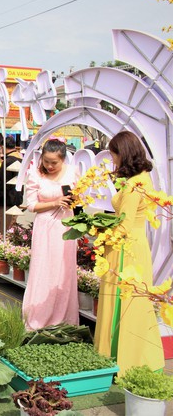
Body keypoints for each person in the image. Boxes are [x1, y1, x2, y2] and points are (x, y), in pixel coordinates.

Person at [94, 131, 164, 375]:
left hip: (125, 250)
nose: (113, 161)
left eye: (114, 155)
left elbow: (123, 225)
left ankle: (121, 361)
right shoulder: (143, 178)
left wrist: (96, 226)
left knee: (122, 303)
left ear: (123, 154)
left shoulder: (135, 185)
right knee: (134, 303)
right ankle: (130, 357)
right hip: (135, 246)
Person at [22, 139, 79, 331]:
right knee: (43, 269)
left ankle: (63, 318)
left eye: (54, 162)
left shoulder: (72, 172)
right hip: (45, 226)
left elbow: (81, 198)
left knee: (64, 271)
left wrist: (75, 200)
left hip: (66, 226)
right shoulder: (35, 174)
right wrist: (55, 202)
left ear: (63, 159)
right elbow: (31, 205)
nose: (49, 166)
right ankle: (38, 316)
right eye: (46, 161)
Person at [0, 136, 24, 236]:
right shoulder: (20, 160)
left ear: (3, 147)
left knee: (2, 230)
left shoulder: (8, 161)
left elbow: (2, 182)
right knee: (10, 228)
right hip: (16, 198)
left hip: (6, 200)